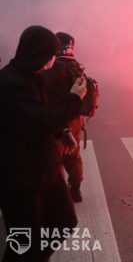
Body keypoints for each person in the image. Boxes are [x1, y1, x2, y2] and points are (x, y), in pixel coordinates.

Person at [0, 25, 87, 261]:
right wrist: (74, 98)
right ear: (39, 53)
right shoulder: (10, 84)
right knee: (23, 242)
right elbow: (39, 122)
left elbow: (42, 113)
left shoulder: (30, 75)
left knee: (64, 221)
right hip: (19, 178)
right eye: (50, 54)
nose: (52, 60)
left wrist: (63, 130)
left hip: (44, 169)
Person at [41, 32, 87, 203]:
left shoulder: (52, 68)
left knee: (55, 157)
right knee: (74, 157)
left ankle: (57, 195)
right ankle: (75, 189)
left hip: (58, 118)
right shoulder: (77, 66)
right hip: (75, 118)